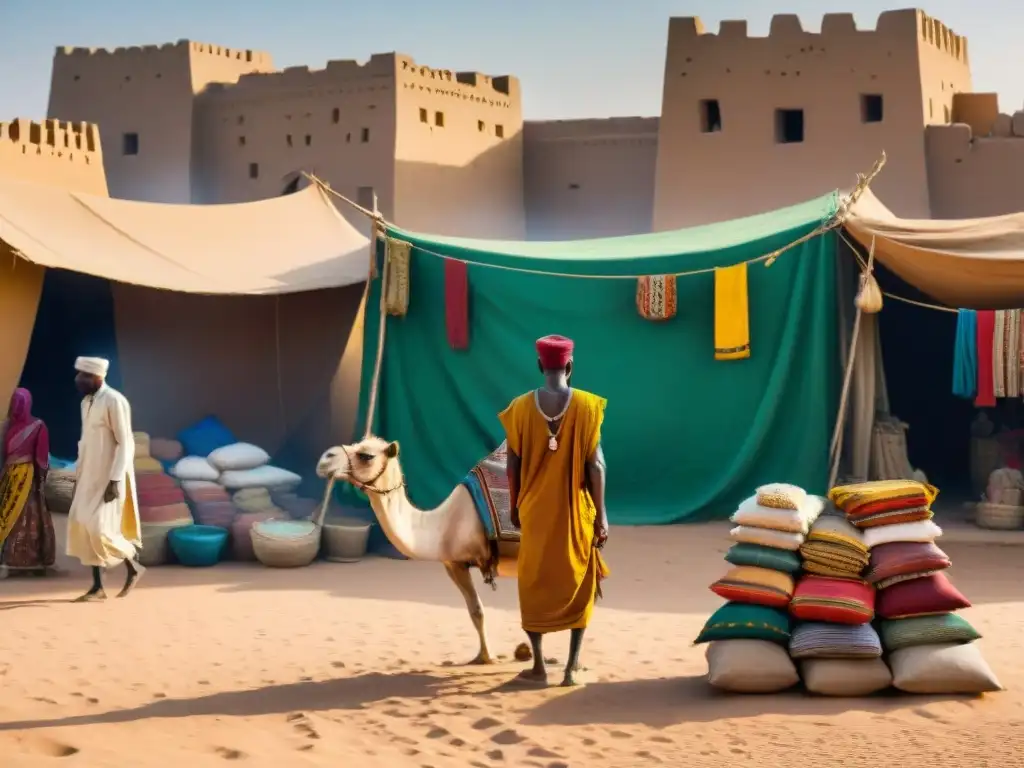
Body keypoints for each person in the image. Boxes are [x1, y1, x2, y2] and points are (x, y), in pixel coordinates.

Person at [498, 334, 609, 687]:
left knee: (533, 582)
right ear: (570, 365)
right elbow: (597, 467)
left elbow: (511, 465)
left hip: (534, 510)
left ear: (539, 365)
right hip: (576, 511)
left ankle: (539, 668)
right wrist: (602, 515)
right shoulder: (588, 407)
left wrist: (515, 504)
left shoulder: (519, 408)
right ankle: (572, 667)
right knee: (579, 579)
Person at [66, 357, 144, 601]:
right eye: (78, 374)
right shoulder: (85, 403)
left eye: (84, 375)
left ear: (98, 377)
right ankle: (98, 587)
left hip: (109, 478)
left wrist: (115, 479)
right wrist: (78, 475)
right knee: (83, 525)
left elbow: (125, 443)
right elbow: (86, 442)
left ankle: (133, 564)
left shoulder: (114, 401)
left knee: (98, 528)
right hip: (88, 475)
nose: (78, 379)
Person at [0, 388, 56, 573]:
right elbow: (41, 458)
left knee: (17, 514)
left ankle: (18, 560)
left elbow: (40, 456)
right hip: (15, 476)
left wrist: (39, 479)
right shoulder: (9, 426)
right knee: (17, 514)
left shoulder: (33, 426)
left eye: (19, 402)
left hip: (22, 477)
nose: (17, 406)